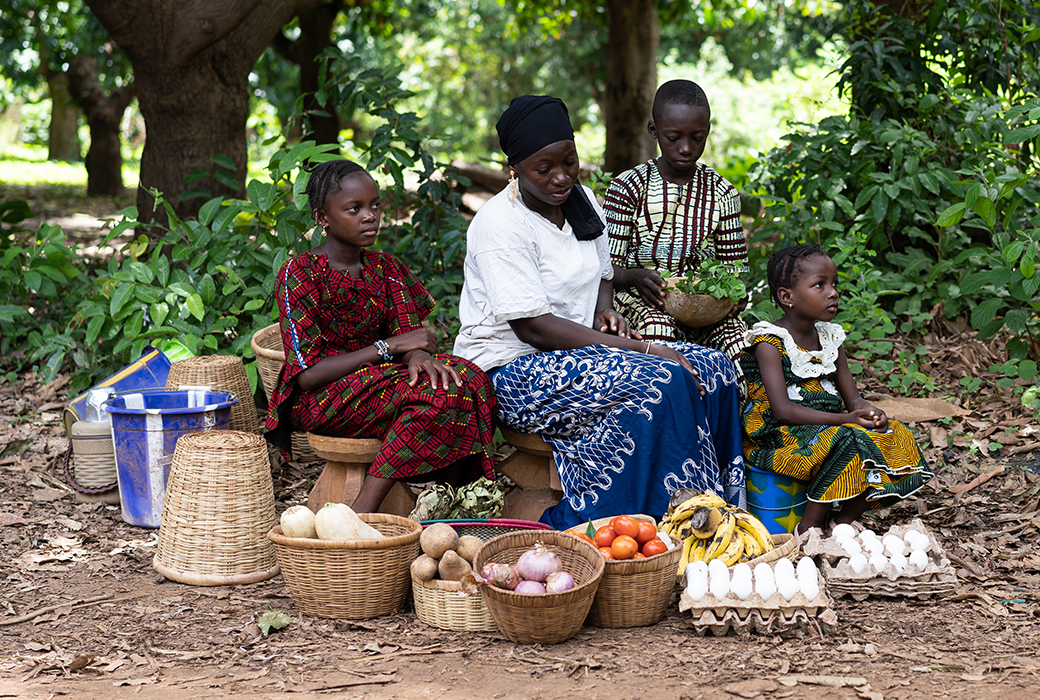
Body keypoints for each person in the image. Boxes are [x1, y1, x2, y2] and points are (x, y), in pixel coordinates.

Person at [454, 94, 746, 530]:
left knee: (716, 369)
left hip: (578, 352)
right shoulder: (501, 224)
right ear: (513, 167)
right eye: (544, 168)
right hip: (513, 370)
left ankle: (719, 517)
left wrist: (604, 310)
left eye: (569, 162)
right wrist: (642, 348)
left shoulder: (581, 199)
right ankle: (629, 522)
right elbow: (533, 327)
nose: (560, 177)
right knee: (660, 378)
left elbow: (603, 272)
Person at [264, 159, 497, 513]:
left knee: (471, 378)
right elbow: (308, 374)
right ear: (322, 218)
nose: (369, 216)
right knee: (435, 398)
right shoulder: (299, 273)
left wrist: (418, 357)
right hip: (323, 396)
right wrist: (388, 348)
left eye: (374, 206)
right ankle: (362, 511)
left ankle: (456, 498)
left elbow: (412, 338)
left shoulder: (386, 269)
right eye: (354, 208)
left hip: (383, 382)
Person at [737, 244, 933, 537]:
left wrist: (868, 412)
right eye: (820, 285)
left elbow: (852, 398)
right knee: (849, 439)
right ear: (786, 297)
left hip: (826, 428)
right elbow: (783, 411)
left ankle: (841, 522)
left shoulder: (830, 338)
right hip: (777, 436)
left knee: (895, 433)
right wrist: (847, 420)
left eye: (834, 284)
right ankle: (808, 528)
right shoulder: (769, 342)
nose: (833, 293)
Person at [603, 79, 749, 364]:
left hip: (706, 306)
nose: (686, 148)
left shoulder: (722, 192)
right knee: (659, 332)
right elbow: (607, 267)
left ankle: (751, 408)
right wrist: (636, 277)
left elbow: (734, 268)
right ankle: (671, 404)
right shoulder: (629, 187)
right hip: (641, 299)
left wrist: (734, 296)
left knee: (739, 343)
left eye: (697, 138)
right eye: (674, 138)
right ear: (654, 131)